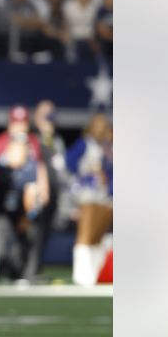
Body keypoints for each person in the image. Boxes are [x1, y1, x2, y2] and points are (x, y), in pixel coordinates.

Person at [0, 134, 48, 284]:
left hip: (19, 210)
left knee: (26, 238)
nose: (21, 154)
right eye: (17, 150)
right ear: (9, 150)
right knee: (0, 243)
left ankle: (20, 273)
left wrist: (26, 217)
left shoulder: (30, 167)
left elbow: (30, 195)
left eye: (23, 150)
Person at [67, 113, 112, 286]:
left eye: (103, 125)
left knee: (99, 236)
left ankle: (94, 272)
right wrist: (85, 177)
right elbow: (69, 164)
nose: (100, 129)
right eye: (97, 125)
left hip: (105, 197)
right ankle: (81, 274)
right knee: (85, 234)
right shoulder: (84, 144)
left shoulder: (109, 147)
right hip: (87, 195)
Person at [26, 100, 67, 281]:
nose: (48, 119)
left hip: (53, 193)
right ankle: (26, 269)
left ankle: (35, 268)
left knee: (44, 233)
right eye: (44, 115)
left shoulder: (55, 140)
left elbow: (61, 168)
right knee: (32, 231)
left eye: (51, 115)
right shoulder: (32, 139)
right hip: (35, 193)